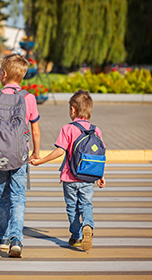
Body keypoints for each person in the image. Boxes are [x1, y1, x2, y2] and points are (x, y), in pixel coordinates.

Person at [0, 54, 41, 257]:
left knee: (2, 197)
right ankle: (16, 239)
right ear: (21, 76)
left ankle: (3, 238)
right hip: (20, 156)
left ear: (3, 74)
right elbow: (36, 131)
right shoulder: (28, 98)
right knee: (18, 197)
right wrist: (36, 153)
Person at [30, 89, 105, 251]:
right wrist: (100, 175)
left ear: (73, 110)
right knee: (86, 204)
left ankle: (76, 236)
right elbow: (98, 155)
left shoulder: (68, 128)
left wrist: (40, 161)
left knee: (72, 207)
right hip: (89, 177)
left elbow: (60, 151)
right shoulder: (96, 130)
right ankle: (88, 225)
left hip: (70, 178)